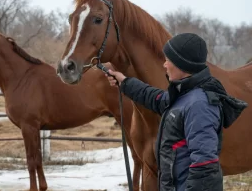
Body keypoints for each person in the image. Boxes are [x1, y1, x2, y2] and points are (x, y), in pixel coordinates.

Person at [106, 33, 248, 191]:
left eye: (168, 60)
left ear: (182, 65)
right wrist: (125, 83)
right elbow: (155, 98)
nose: (164, 65)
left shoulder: (199, 105)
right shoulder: (185, 95)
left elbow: (204, 167)